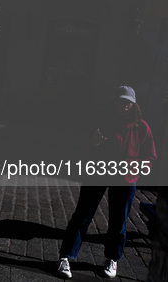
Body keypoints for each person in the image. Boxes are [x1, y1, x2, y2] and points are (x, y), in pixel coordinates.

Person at [56, 86, 157, 279]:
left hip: (125, 179)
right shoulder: (102, 122)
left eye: (128, 102)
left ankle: (112, 258)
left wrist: (138, 169)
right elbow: (84, 151)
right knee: (82, 215)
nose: (125, 105)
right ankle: (65, 256)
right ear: (115, 102)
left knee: (119, 221)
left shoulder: (141, 127)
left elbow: (150, 157)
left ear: (134, 104)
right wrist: (93, 143)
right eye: (121, 101)